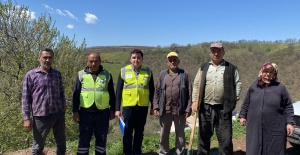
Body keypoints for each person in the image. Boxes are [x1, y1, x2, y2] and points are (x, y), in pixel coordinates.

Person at [191, 42, 242, 155]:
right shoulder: (203, 68)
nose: (216, 53)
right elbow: (196, 85)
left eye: (219, 51)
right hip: (206, 108)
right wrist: (194, 101)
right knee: (203, 137)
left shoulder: (231, 68)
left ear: (223, 52)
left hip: (224, 109)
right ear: (210, 53)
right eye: (214, 51)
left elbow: (238, 84)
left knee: (225, 139)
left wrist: (235, 99)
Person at [239, 62, 295, 155]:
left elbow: (288, 106)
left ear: (274, 74)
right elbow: (246, 102)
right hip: (254, 127)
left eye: (271, 72)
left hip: (275, 128)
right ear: (261, 71)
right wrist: (242, 115)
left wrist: (290, 123)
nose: (267, 74)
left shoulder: (280, 88)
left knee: (273, 150)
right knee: (254, 149)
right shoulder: (254, 86)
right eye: (265, 71)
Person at [22, 48, 66, 155]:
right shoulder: (31, 75)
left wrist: (64, 104)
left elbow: (61, 91)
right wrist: (26, 118)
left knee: (61, 143)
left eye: (50, 57)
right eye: (45, 57)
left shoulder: (57, 73)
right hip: (40, 116)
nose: (47, 60)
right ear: (39, 59)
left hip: (58, 114)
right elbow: (25, 97)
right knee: (37, 147)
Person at [72, 52, 116, 155]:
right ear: (87, 62)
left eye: (95, 61)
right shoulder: (81, 74)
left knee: (101, 138)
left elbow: (112, 94)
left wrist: (112, 109)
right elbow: (76, 94)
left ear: (100, 62)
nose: (93, 64)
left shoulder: (107, 74)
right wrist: (75, 111)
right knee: (84, 138)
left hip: (103, 113)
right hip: (85, 113)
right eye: (91, 61)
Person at [115, 49, 155, 155]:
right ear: (130, 59)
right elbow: (118, 91)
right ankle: (127, 153)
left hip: (142, 106)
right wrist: (117, 109)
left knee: (139, 132)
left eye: (138, 58)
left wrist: (153, 106)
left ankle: (137, 152)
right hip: (128, 107)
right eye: (134, 57)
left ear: (142, 59)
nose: (136, 60)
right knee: (127, 132)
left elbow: (152, 90)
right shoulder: (124, 71)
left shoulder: (148, 71)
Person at [153, 52, 192, 155]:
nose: (173, 62)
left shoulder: (184, 75)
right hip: (165, 109)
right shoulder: (162, 75)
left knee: (180, 134)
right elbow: (156, 91)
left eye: (175, 60)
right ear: (167, 62)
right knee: (163, 134)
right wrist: (155, 107)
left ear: (178, 61)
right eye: (170, 60)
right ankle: (163, 152)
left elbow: (190, 93)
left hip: (180, 110)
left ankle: (180, 152)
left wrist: (188, 108)